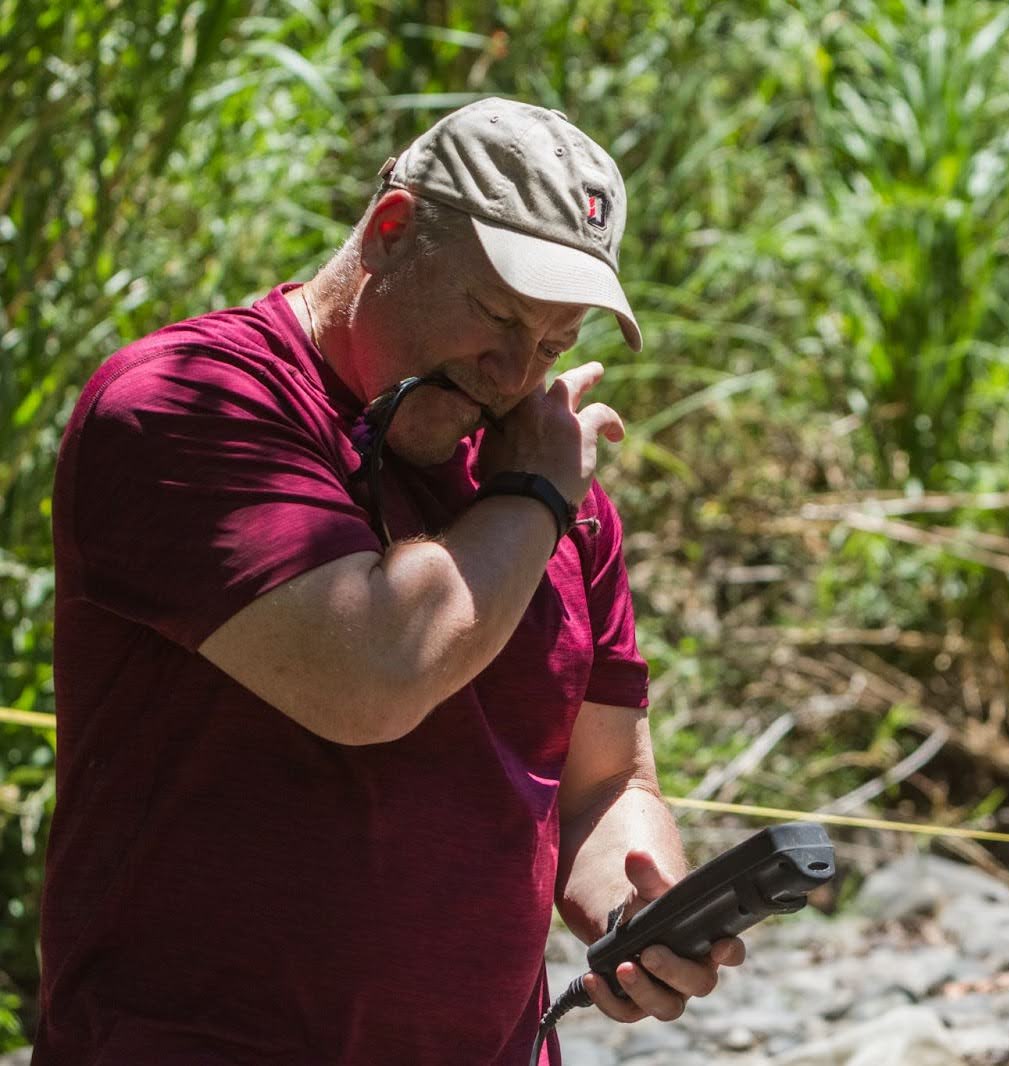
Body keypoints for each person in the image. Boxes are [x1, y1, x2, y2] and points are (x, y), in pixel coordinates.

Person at [38, 97, 742, 1063]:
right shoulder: (188, 400)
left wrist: (641, 912)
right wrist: (532, 495)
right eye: (496, 317)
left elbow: (604, 779)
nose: (511, 374)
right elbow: (372, 674)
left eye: (552, 346)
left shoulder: (552, 503)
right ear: (391, 229)